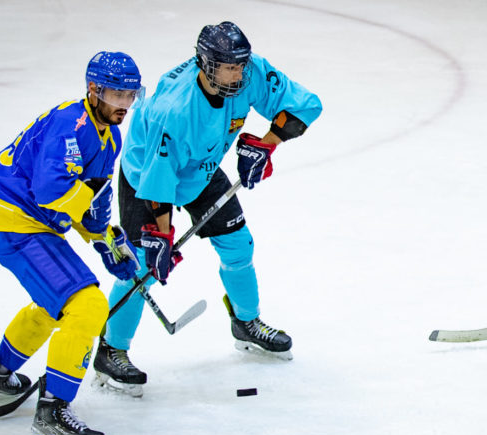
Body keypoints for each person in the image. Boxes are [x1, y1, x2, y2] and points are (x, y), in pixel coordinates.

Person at [94, 21, 322, 396]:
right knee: (141, 266)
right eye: (229, 67)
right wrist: (162, 235)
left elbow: (305, 105)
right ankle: (111, 350)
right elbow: (159, 183)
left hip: (200, 168)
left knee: (239, 245)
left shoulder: (248, 71)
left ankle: (246, 324)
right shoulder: (175, 110)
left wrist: (266, 144)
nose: (238, 74)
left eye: (241, 66)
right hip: (147, 176)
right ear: (205, 64)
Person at [0, 52, 143, 435]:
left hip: (22, 222)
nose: (124, 105)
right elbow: (52, 191)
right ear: (93, 90)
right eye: (116, 94)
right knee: (87, 305)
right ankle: (52, 410)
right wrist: (90, 212)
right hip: (12, 222)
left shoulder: (107, 132)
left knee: (56, 305)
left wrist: (107, 238)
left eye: (131, 96)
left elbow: (91, 198)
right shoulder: (70, 124)